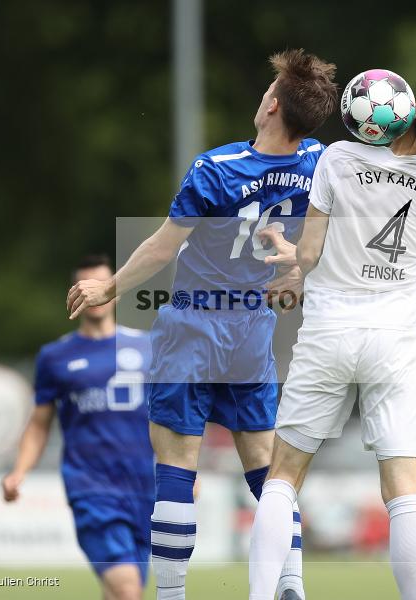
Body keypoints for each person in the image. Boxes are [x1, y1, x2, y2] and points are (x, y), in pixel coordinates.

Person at [66, 49, 339, 600]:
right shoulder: (319, 162)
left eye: (267, 91)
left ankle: (171, 595)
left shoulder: (216, 169)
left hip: (192, 325)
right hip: (252, 328)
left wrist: (108, 288)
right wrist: (299, 273)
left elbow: (161, 248)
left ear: (272, 107)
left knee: (176, 467)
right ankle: (291, 584)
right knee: (268, 472)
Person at [248, 78, 416, 600]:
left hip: (329, 331)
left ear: (415, 105)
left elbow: (310, 255)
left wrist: (288, 256)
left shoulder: (338, 158)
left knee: (283, 477)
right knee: (404, 490)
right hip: (394, 341)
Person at [3, 254, 154, 600]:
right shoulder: (55, 357)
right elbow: (39, 423)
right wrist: (19, 472)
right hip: (91, 487)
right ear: (73, 294)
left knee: (121, 590)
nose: (94, 292)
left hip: (146, 487)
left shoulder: (149, 347)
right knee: (127, 589)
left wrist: (186, 471)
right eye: (85, 286)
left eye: (103, 284)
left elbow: (171, 416)